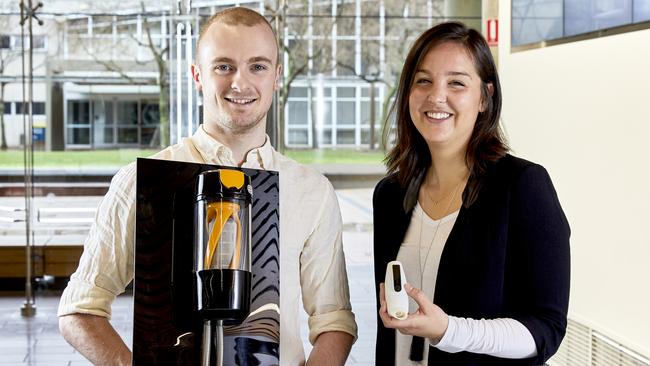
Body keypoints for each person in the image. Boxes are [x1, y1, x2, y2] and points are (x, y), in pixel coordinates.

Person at [58, 7, 357, 366]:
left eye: (257, 66)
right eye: (223, 66)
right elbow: (79, 309)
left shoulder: (312, 191)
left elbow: (334, 320)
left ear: (276, 75)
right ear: (197, 75)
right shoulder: (141, 181)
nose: (240, 83)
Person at [373, 21, 570, 365]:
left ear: (485, 97)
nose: (436, 96)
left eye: (456, 83)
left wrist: (448, 331)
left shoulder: (523, 186)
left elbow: (545, 329)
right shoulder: (391, 194)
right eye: (423, 81)